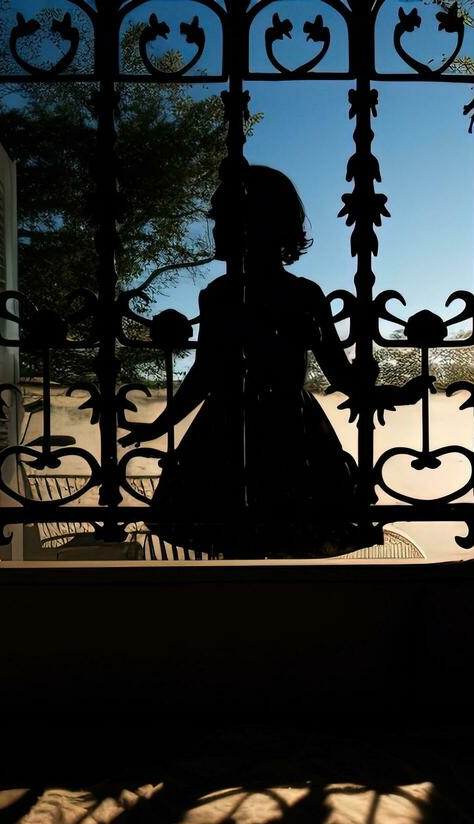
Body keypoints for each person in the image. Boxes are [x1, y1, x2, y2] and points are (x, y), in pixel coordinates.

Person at [119, 165, 427, 558]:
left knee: (278, 541)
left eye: (224, 218)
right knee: (244, 544)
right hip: (251, 430)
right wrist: (161, 423)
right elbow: (205, 372)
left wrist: (393, 395)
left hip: (275, 431)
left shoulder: (291, 294)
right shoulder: (221, 294)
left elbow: (339, 373)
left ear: (261, 223)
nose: (215, 229)